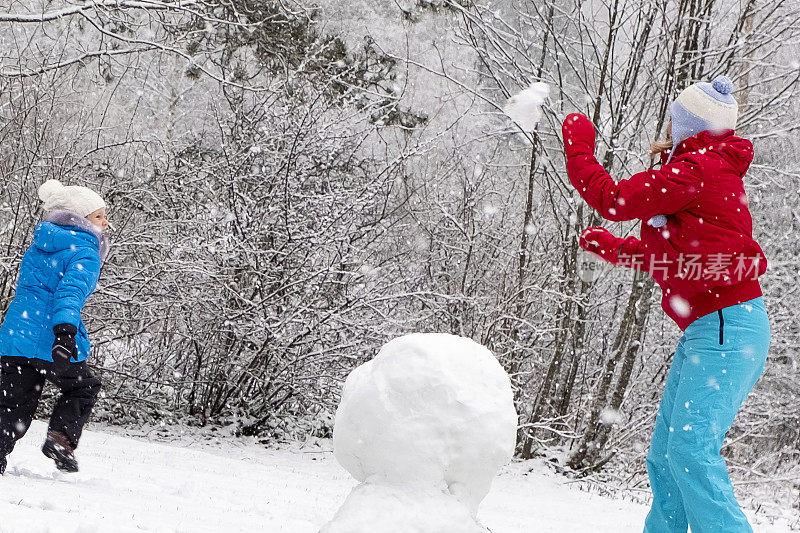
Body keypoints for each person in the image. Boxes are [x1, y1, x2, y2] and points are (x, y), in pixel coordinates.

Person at [561, 76, 769, 533]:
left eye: (676, 121)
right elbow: (684, 262)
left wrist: (579, 152)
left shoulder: (695, 171)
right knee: (667, 454)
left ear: (687, 126)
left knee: (690, 451)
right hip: (718, 326)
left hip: (726, 325)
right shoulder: (705, 172)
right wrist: (616, 249)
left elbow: (613, 199)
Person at [0, 179, 110, 474]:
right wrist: (65, 332)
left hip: (15, 337)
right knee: (84, 387)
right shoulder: (84, 251)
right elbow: (68, 294)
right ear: (77, 218)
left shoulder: (40, 245)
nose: (106, 223)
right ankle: (60, 440)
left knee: (13, 406)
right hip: (52, 339)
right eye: (99, 216)